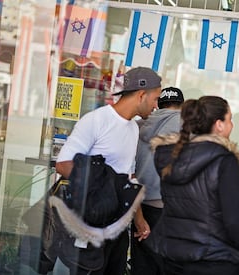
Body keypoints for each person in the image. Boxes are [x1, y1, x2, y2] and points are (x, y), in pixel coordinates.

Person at [54, 66, 162, 275]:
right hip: (91, 225)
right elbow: (64, 164)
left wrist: (139, 219)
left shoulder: (132, 129)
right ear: (141, 94)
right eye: (155, 98)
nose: (156, 106)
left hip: (118, 229)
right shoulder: (97, 120)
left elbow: (127, 179)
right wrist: (103, 193)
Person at [145, 96, 239, 275]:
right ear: (219, 125)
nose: (232, 125)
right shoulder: (224, 160)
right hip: (216, 258)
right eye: (230, 119)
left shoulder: (171, 156)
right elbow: (235, 217)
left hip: (174, 257)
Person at [130, 86, 184, 275]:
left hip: (140, 207)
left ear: (157, 105)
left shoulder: (137, 126)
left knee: (143, 264)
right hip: (171, 208)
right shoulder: (188, 127)